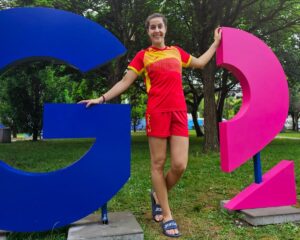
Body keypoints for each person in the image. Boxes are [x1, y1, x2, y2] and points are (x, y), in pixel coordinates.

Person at [79, 13, 221, 238]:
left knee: (180, 165)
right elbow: (125, 82)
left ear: (165, 29)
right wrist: (102, 98)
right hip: (157, 113)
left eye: (160, 26)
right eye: (152, 27)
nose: (156, 30)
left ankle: (157, 196)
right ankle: (167, 215)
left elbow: (201, 63)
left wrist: (215, 43)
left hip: (178, 113)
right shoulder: (143, 56)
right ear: (148, 31)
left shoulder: (177, 52)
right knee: (158, 163)